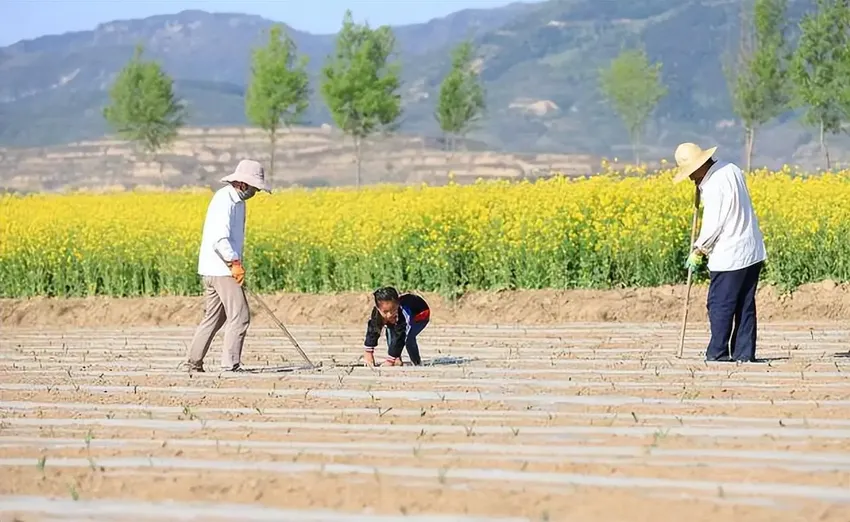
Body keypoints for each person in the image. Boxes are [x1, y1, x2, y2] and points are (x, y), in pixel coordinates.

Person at [673, 143, 766, 363]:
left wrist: (699, 249)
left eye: (691, 173)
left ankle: (718, 352)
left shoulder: (714, 185)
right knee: (744, 304)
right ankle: (744, 353)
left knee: (720, 304)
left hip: (730, 254)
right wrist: (700, 185)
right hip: (751, 250)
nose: (689, 178)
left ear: (700, 166)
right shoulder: (731, 169)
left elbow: (715, 224)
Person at [186, 159, 271, 373]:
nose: (255, 192)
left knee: (215, 317)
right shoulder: (225, 200)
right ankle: (230, 364)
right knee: (240, 316)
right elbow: (219, 239)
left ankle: (193, 362)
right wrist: (233, 263)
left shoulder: (237, 202)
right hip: (221, 269)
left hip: (216, 269)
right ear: (242, 184)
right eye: (254, 188)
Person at [363, 287, 430, 367]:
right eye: (385, 312)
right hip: (404, 316)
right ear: (378, 308)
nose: (389, 315)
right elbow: (373, 330)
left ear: (398, 305)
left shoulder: (404, 314)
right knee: (390, 328)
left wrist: (391, 359)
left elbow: (401, 335)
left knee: (408, 338)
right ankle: (397, 359)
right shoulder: (377, 313)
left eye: (393, 310)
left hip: (420, 315)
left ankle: (417, 362)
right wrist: (368, 352)